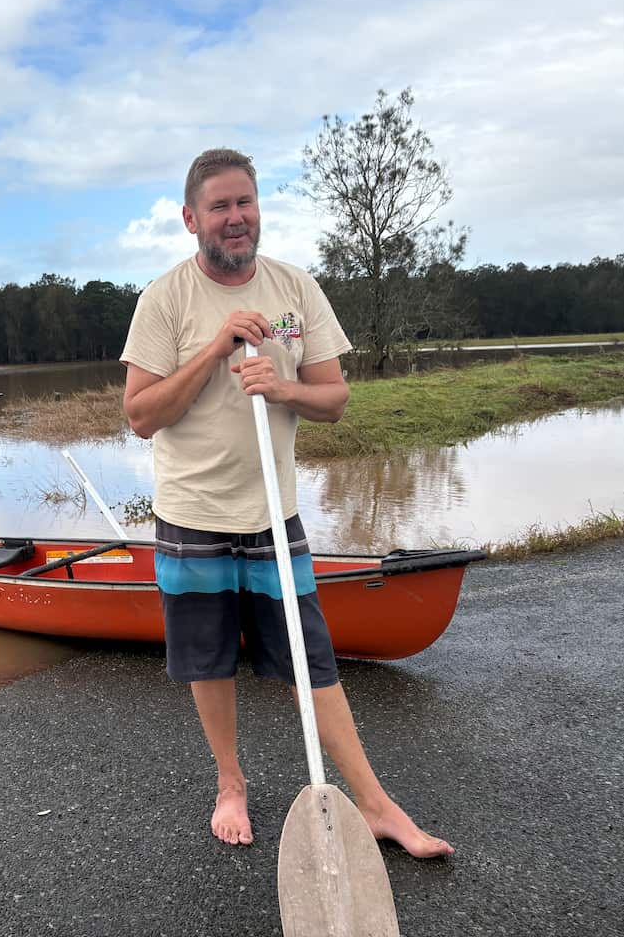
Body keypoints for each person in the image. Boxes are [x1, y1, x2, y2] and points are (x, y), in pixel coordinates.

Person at [119, 147, 452, 858]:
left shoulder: (295, 287)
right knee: (208, 662)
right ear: (190, 219)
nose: (236, 218)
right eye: (220, 206)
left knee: (312, 661)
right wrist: (214, 350)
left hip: (273, 517)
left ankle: (378, 804)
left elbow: (334, 398)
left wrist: (285, 388)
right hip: (193, 511)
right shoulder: (164, 299)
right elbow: (142, 415)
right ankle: (231, 783)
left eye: (246, 203)